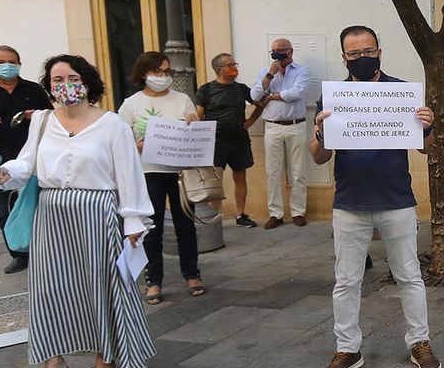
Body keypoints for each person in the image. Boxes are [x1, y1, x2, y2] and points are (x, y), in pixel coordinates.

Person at [0, 55, 155, 368]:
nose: (66, 85)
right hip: (51, 215)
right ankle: (53, 363)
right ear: (49, 86)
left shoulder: (112, 124)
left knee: (99, 284)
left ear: (88, 82)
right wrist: (3, 174)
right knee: (50, 290)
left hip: (98, 213)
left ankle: (104, 354)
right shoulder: (43, 121)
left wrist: (133, 220)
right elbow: (26, 164)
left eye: (73, 78)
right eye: (57, 80)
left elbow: (129, 174)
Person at [310, 25, 441, 368]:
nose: (362, 58)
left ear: (379, 52)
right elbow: (319, 156)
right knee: (346, 281)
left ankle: (420, 343)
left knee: (409, 276)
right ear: (344, 57)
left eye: (368, 51)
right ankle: (347, 349)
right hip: (349, 203)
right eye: (355, 54)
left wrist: (427, 128)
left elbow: (426, 149)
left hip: (396, 200)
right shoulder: (334, 98)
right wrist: (320, 133)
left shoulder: (401, 93)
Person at [118, 51, 204, 304]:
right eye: (158, 72)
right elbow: (122, 141)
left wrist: (194, 124)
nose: (163, 77)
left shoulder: (182, 99)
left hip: (180, 172)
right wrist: (141, 145)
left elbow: (195, 134)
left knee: (185, 225)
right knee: (151, 228)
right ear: (144, 74)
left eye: (167, 72)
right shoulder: (131, 104)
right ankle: (153, 280)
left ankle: (192, 274)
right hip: (148, 172)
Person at [0, 45, 54, 271]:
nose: (8, 66)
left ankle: (44, 251)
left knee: (39, 206)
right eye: (2, 62)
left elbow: (52, 118)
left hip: (35, 158)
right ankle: (18, 254)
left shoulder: (34, 90)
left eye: (12, 62)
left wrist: (36, 116)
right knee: (6, 209)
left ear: (19, 64)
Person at [251, 37, 312, 229]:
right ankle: (275, 214)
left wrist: (270, 96)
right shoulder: (266, 72)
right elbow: (254, 95)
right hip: (273, 127)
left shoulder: (302, 71)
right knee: (273, 172)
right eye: (273, 51)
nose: (276, 55)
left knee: (298, 172)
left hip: (296, 125)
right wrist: (270, 75)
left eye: (280, 51)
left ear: (290, 51)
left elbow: (296, 93)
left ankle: (298, 212)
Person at [195, 52, 261, 227]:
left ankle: (240, 215)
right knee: (215, 181)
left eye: (235, 64)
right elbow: (198, 116)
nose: (234, 68)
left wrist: (251, 120)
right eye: (230, 65)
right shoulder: (206, 90)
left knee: (240, 177)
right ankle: (215, 218)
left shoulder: (242, 89)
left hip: (239, 140)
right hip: (215, 142)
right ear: (219, 69)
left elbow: (260, 103)